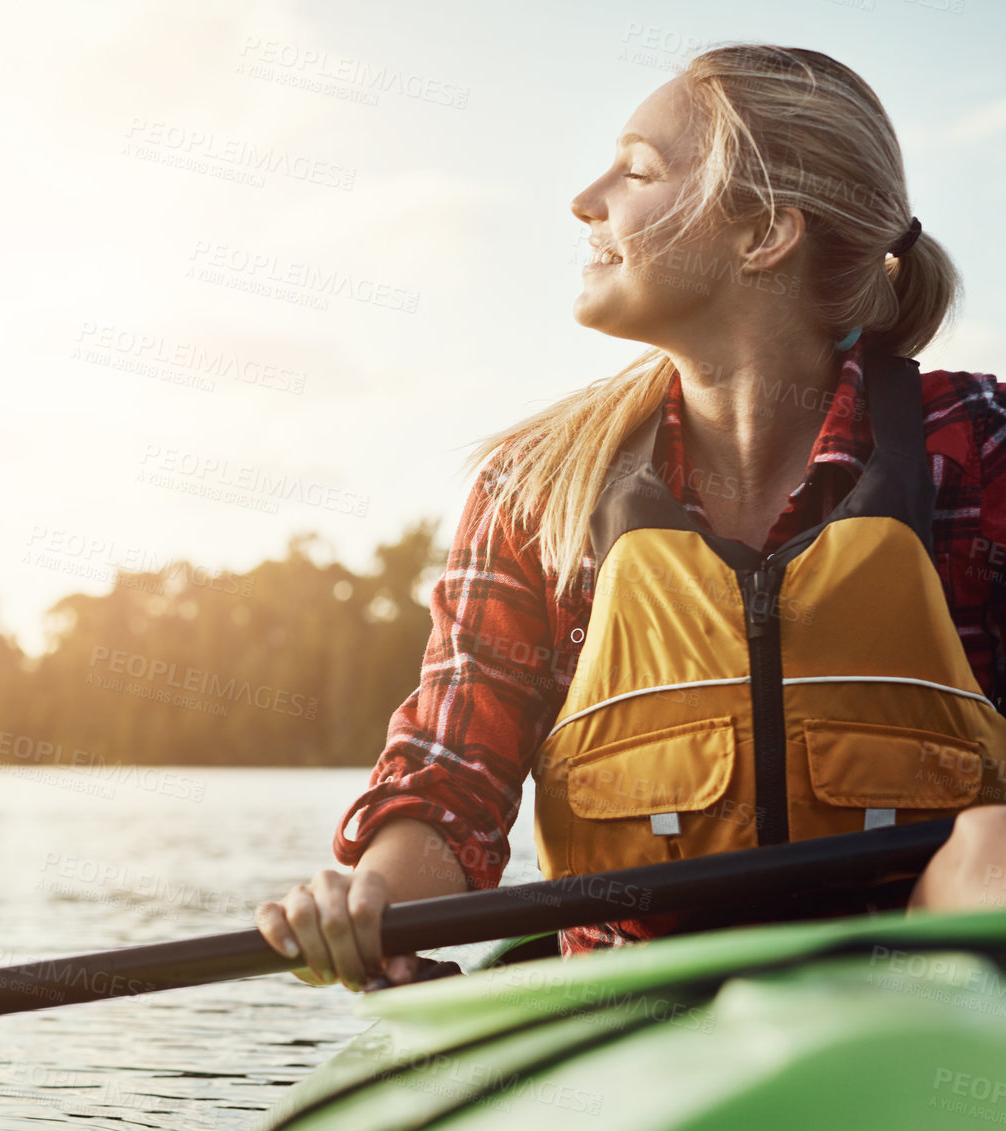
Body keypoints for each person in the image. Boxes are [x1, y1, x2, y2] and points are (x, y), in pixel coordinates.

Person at [255, 43, 1006, 992]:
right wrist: (372, 903)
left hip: (942, 1000)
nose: (585, 198)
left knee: (994, 846)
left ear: (764, 233)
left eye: (636, 170)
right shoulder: (535, 490)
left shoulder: (980, 447)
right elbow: (452, 788)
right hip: (631, 1025)